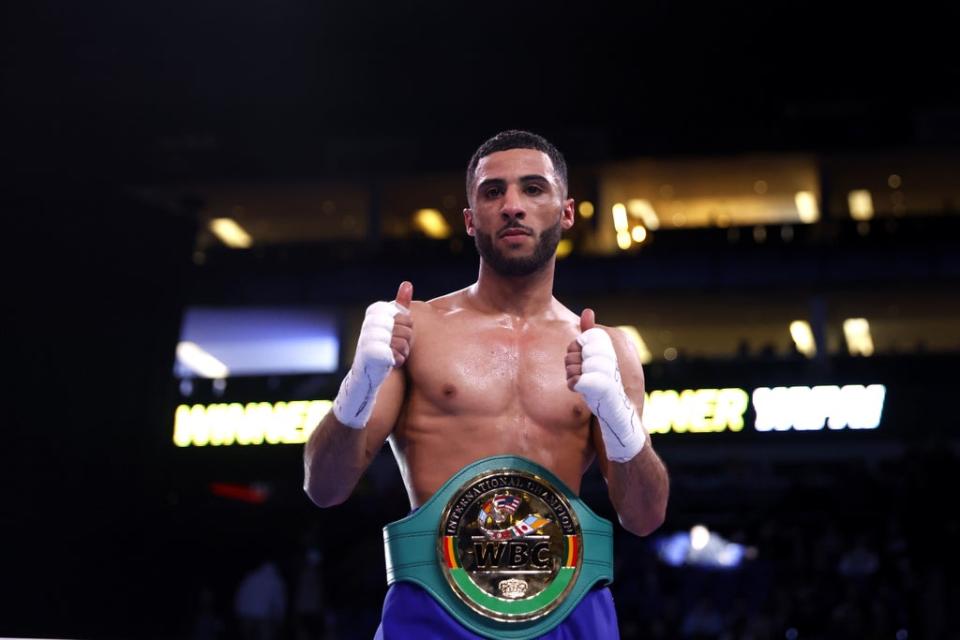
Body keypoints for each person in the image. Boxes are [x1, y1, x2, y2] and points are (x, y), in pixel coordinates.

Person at [303, 130, 669, 639]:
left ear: (566, 212)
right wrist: (358, 385)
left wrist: (618, 419)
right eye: (493, 192)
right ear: (472, 220)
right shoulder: (417, 330)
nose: (512, 206)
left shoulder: (604, 350)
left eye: (533, 189)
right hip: (434, 611)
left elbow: (645, 516)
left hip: (568, 613)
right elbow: (324, 487)